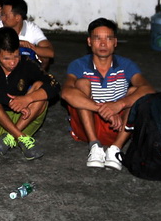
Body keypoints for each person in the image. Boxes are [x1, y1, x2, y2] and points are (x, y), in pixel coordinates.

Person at [60, 18, 155, 170]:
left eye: (108, 39)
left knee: (134, 92)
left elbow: (148, 89)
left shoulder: (126, 65)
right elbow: (65, 93)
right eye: (98, 38)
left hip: (117, 128)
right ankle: (94, 146)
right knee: (80, 85)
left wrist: (118, 105)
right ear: (89, 42)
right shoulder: (79, 65)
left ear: (115, 42)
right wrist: (104, 110)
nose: (103, 44)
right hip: (87, 126)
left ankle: (115, 149)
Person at [0, 27, 61, 159]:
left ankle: (9, 137)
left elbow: (54, 84)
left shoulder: (26, 62)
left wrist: (27, 99)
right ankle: (19, 137)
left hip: (22, 121)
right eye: (7, 58)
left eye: (16, 56)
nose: (12, 62)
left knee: (40, 87)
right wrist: (10, 101)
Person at [0, 0, 55, 68]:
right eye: (2, 15)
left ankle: (37, 75)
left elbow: (50, 53)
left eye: (6, 16)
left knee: (44, 58)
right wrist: (16, 43)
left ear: (17, 18)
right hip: (3, 66)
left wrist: (30, 48)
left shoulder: (32, 28)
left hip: (25, 66)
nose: (2, 18)